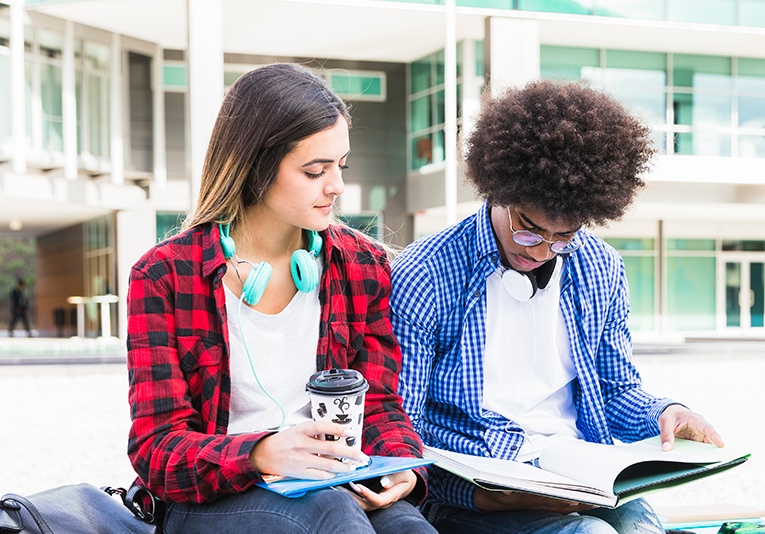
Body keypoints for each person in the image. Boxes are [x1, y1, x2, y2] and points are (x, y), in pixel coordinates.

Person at [390, 79, 725, 534]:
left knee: (639, 527)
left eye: (563, 236)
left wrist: (665, 413)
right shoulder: (426, 272)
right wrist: (481, 496)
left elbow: (616, 390)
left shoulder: (600, 267)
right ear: (500, 191)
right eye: (528, 229)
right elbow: (401, 426)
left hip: (577, 475)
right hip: (476, 494)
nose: (541, 251)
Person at [126, 63, 435, 534]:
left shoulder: (362, 264)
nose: (337, 186)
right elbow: (157, 450)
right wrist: (260, 452)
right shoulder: (165, 275)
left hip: (338, 480)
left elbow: (379, 404)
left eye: (340, 166)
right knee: (332, 516)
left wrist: (402, 464)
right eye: (315, 171)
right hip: (217, 496)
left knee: (407, 527)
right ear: (255, 166)